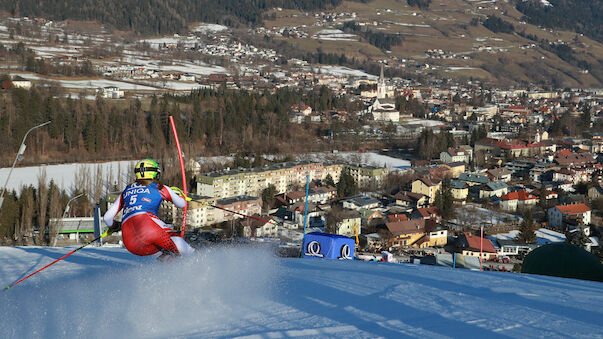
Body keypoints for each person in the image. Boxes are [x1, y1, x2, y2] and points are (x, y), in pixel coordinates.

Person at [103, 159, 194, 259]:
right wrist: (179, 195)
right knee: (175, 239)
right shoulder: (160, 188)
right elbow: (182, 204)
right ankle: (196, 259)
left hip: (130, 242)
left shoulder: (126, 190)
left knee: (163, 250)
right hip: (147, 225)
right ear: (154, 174)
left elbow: (107, 217)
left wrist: (115, 226)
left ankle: (170, 266)